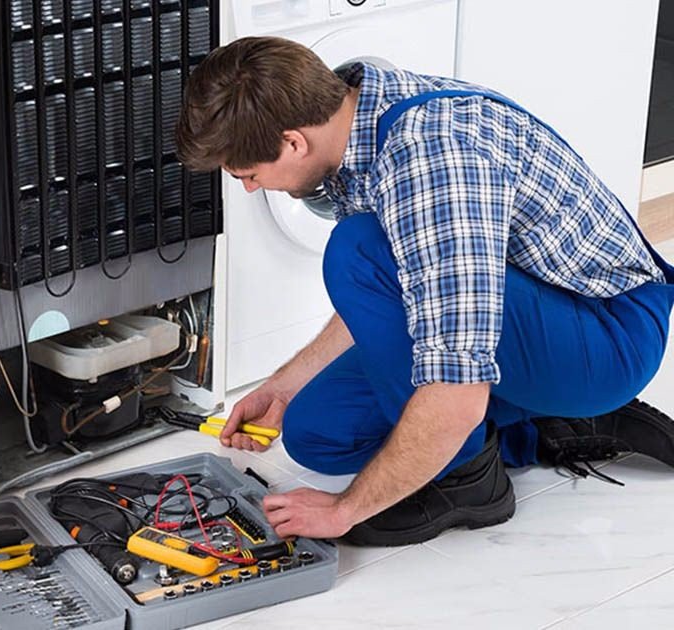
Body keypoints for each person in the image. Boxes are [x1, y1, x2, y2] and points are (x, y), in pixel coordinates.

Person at [176, 37, 674, 546]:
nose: (251, 188)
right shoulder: (354, 121)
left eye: (250, 174)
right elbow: (401, 289)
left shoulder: (429, 161)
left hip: (606, 331)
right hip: (529, 313)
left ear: (294, 143)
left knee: (357, 248)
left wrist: (346, 510)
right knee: (318, 432)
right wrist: (284, 386)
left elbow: (457, 381)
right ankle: (545, 420)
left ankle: (468, 481)